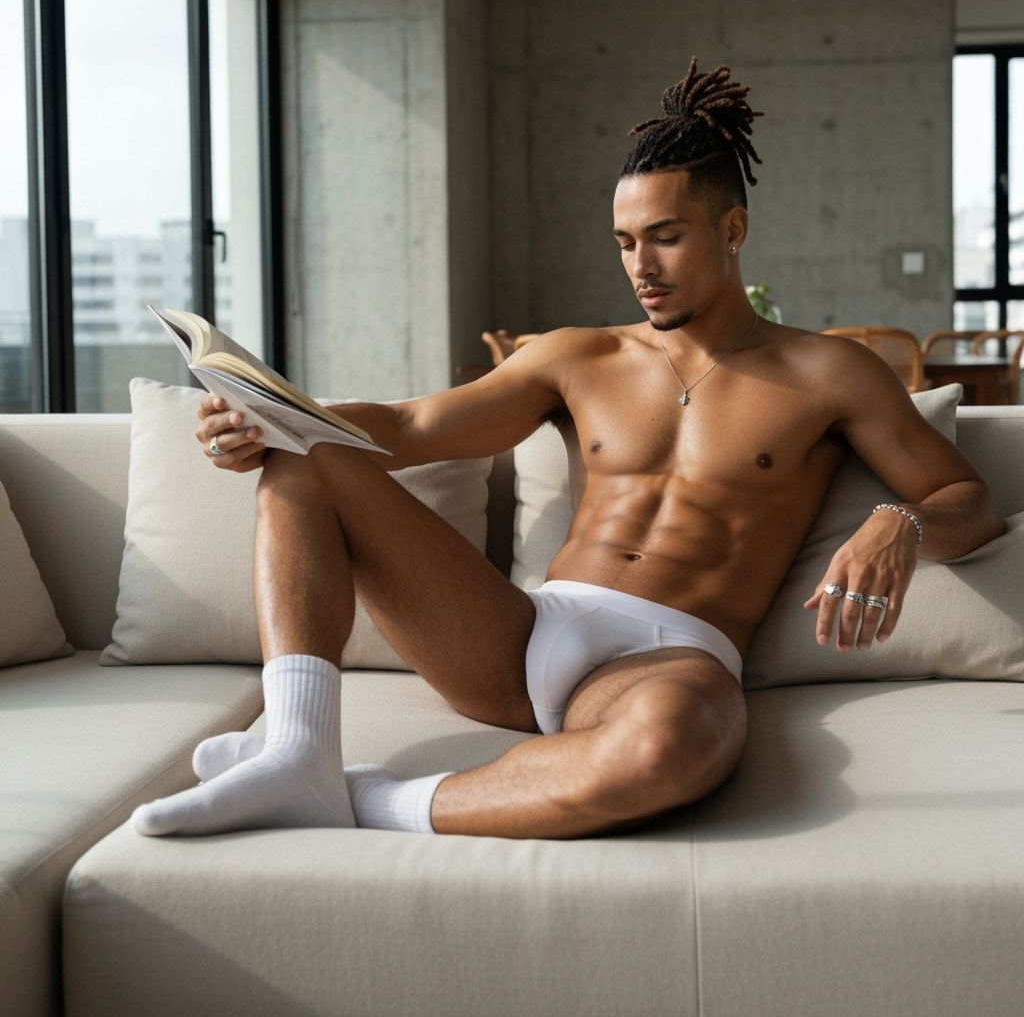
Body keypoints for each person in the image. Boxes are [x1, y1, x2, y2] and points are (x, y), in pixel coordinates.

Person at [132, 59, 1005, 841]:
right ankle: (294, 750)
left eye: (666, 235)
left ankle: (359, 801)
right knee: (303, 449)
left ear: (732, 230)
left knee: (665, 753)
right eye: (626, 242)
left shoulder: (828, 372)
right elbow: (406, 429)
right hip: (521, 637)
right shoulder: (578, 355)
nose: (641, 266)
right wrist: (266, 413)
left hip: (672, 657)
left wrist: (901, 523)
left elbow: (967, 497)